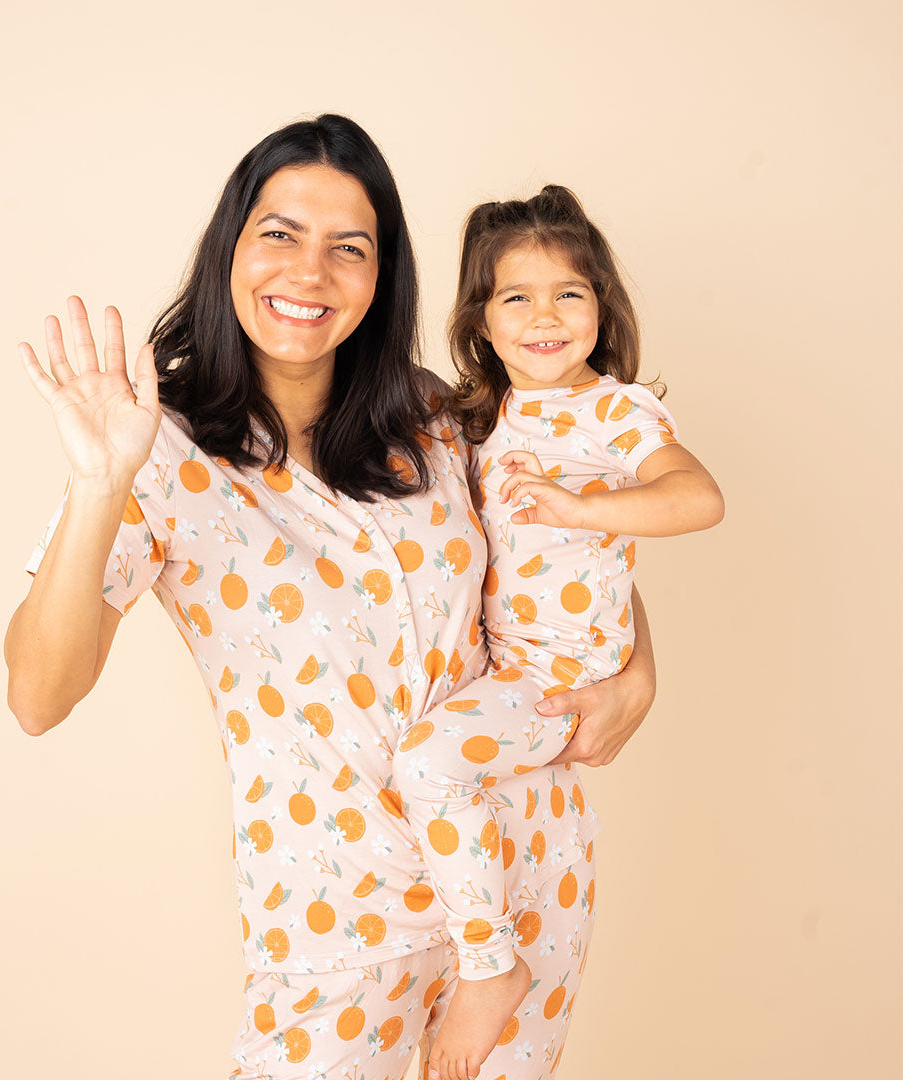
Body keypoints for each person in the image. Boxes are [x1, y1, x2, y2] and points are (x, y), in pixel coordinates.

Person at [4, 115, 658, 1080]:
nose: (309, 274)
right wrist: (103, 485)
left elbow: (577, 544)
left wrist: (639, 673)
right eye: (280, 235)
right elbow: (37, 694)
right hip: (336, 912)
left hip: (522, 877)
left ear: (381, 277)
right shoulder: (158, 449)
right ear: (231, 247)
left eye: (347, 249)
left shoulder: (439, 420)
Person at [390, 185, 724, 1080]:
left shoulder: (617, 414)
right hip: (509, 678)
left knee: (426, 764)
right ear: (483, 322)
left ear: (601, 308)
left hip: (559, 681)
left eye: (568, 294)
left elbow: (699, 497)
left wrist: (586, 503)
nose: (545, 317)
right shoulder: (482, 417)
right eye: (517, 298)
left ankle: (490, 967)